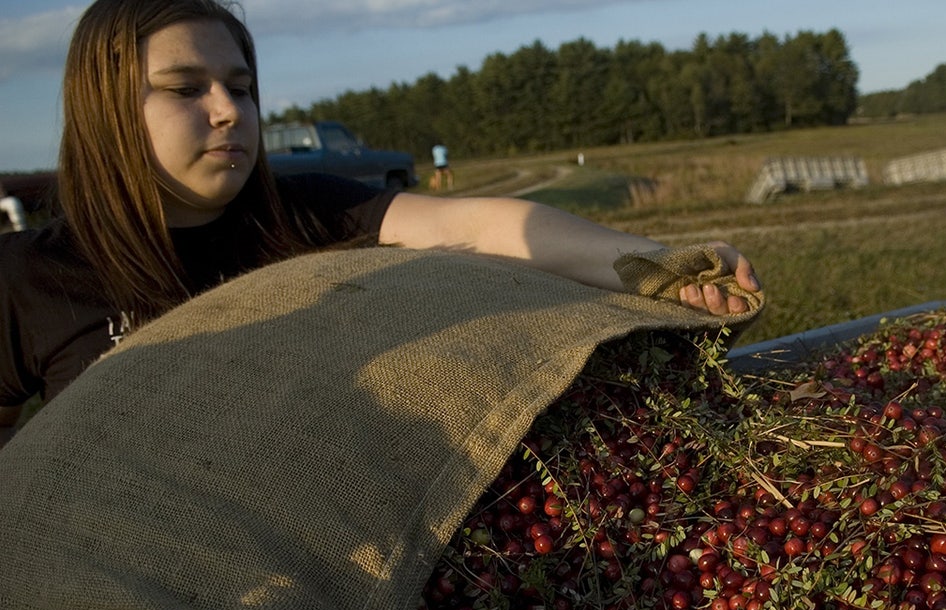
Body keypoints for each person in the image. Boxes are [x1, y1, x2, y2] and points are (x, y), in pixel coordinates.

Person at [0, 0, 759, 447]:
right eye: (185, 89)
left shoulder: (303, 215)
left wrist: (657, 261)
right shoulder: (31, 275)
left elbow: (485, 224)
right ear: (105, 110)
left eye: (240, 86)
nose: (230, 111)